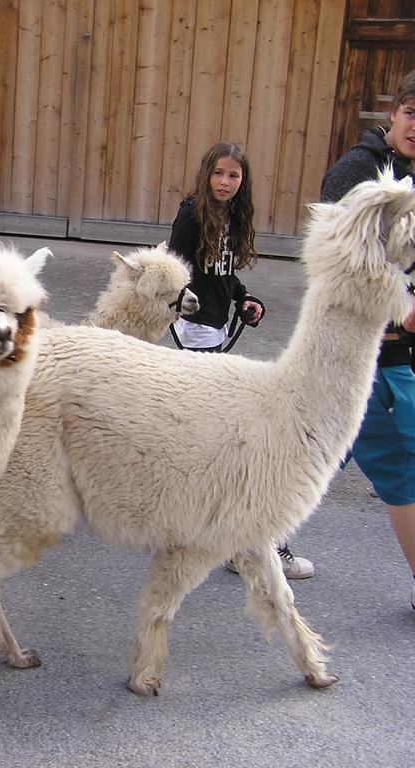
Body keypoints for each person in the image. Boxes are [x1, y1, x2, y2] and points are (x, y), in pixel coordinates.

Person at [169, 140, 315, 579]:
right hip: (194, 328)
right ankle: (241, 540)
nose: (225, 183)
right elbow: (177, 267)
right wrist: (186, 305)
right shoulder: (192, 214)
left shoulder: (231, 219)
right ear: (206, 174)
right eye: (219, 174)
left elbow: (223, 273)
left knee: (206, 432)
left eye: (233, 176)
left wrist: (244, 299)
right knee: (219, 434)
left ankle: (208, 526)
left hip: (216, 326)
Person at [320, 69, 415, 610]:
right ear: (393, 113)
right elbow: (333, 263)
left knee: (320, 451)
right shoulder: (359, 172)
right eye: (412, 113)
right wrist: (399, 312)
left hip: (395, 352)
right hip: (368, 348)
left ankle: (251, 538)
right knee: (403, 459)